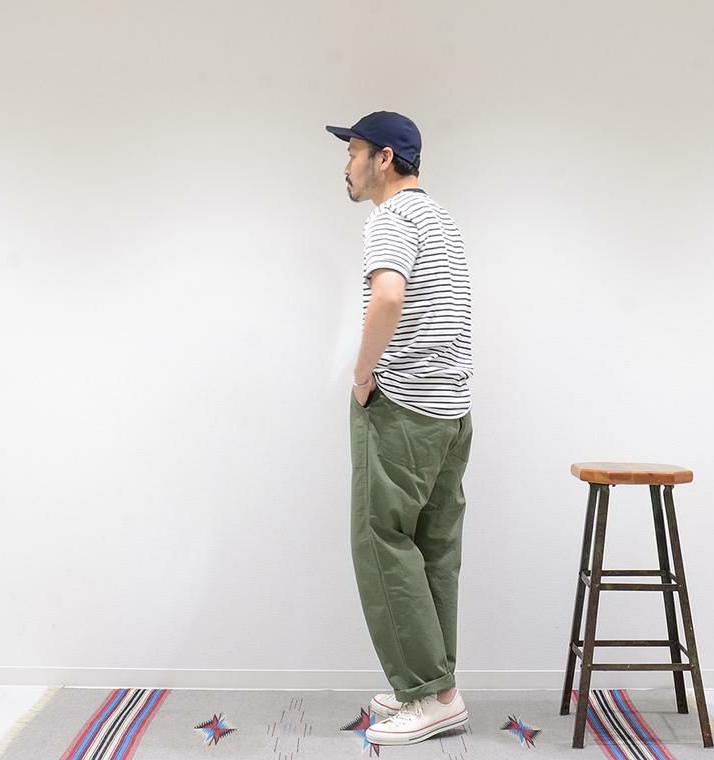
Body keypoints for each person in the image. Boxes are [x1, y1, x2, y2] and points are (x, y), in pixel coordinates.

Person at [325, 111, 474, 746]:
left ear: (384, 158)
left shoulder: (389, 218)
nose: (346, 165)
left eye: (353, 152)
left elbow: (388, 297)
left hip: (402, 406)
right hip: (451, 409)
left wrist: (363, 376)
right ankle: (437, 688)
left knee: (381, 542)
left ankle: (425, 693)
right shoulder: (441, 217)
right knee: (433, 546)